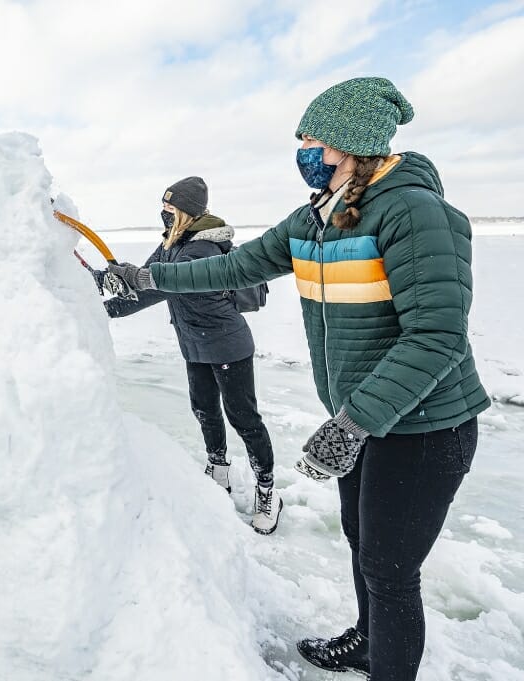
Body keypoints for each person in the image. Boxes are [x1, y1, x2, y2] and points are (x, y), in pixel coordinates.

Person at [105, 77, 489, 681]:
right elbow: (235, 264)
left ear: (347, 144)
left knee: (390, 569)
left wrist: (354, 421)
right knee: (364, 547)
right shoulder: (318, 218)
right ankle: (368, 642)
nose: (304, 152)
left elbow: (436, 337)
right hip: (364, 419)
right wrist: (152, 280)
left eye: (311, 139)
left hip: (424, 425)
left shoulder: (415, 213)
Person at [104, 177, 280, 534]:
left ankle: (267, 490)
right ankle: (218, 470)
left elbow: (157, 285)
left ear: (186, 211)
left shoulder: (200, 251)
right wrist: (100, 288)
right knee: (205, 410)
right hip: (195, 344)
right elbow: (143, 282)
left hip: (227, 345)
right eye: (163, 208)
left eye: (170, 209)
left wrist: (123, 292)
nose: (163, 214)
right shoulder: (172, 244)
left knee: (244, 419)